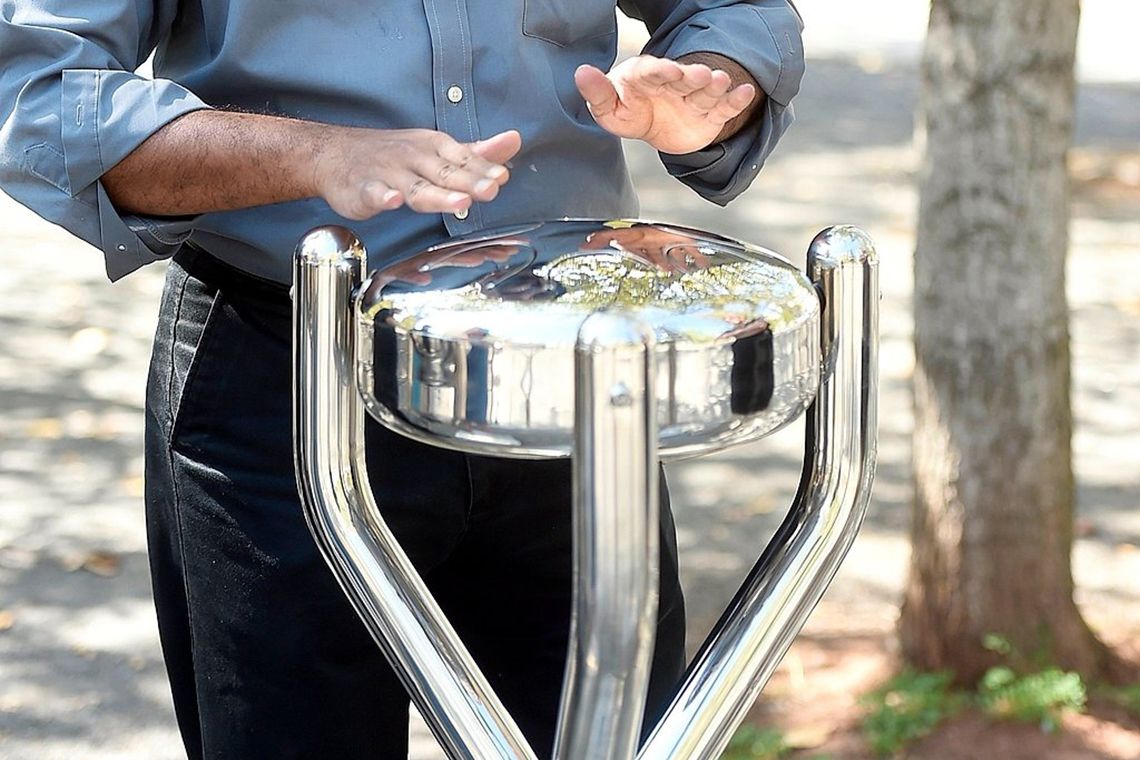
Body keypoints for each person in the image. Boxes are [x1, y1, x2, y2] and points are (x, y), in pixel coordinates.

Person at [0, 1, 804, 757]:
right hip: (282, 381)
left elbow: (735, 15)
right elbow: (40, 93)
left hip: (570, 384)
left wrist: (707, 84)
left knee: (607, 735)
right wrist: (315, 154)